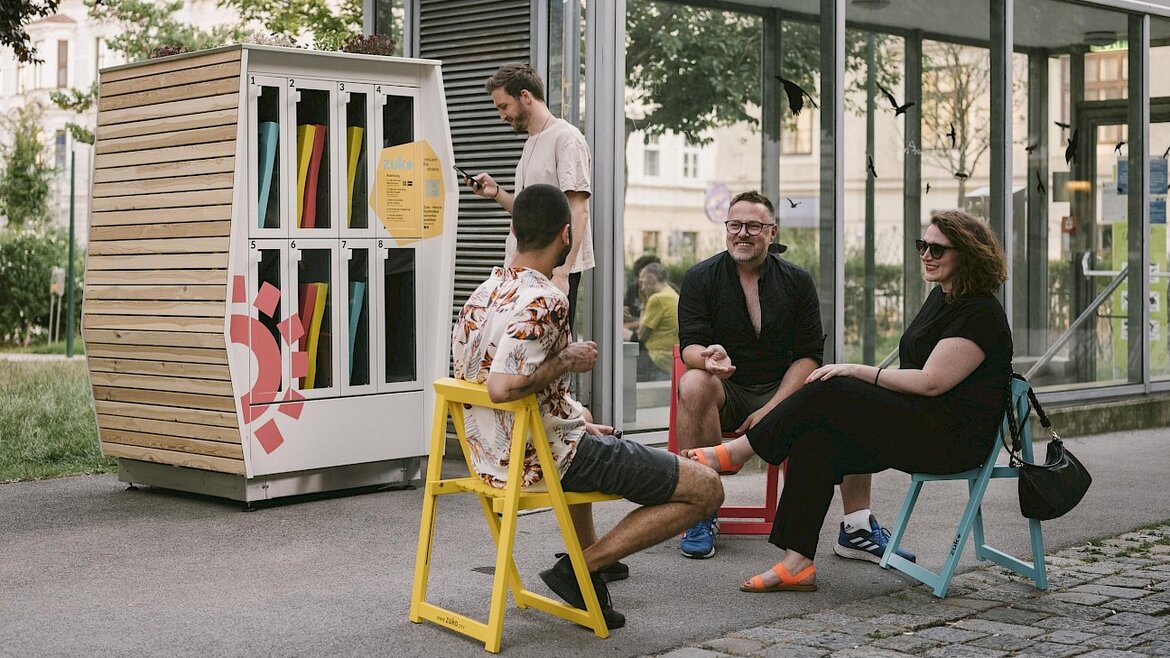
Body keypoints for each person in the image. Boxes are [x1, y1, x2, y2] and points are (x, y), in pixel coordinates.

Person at [686, 209, 1012, 592]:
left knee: (836, 386)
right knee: (816, 435)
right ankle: (797, 564)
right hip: (920, 424)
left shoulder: (980, 313)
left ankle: (739, 451)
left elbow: (930, 383)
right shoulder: (944, 298)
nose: (926, 255)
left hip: (950, 441)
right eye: (923, 246)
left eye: (938, 250)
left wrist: (858, 371)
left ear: (968, 254)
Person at [451, 184, 723, 627]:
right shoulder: (548, 300)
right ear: (565, 235)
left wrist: (575, 419)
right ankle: (582, 567)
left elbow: (490, 389)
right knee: (707, 487)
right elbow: (502, 387)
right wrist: (565, 360)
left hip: (491, 455)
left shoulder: (482, 294)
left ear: (512, 229)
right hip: (543, 459)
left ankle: (588, 568)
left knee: (589, 419)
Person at [674, 190, 915, 563]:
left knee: (849, 390)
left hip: (784, 390)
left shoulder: (797, 281)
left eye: (753, 226)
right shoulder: (700, 278)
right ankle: (699, 512)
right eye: (735, 225)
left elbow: (808, 356)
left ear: (772, 232)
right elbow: (689, 344)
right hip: (728, 388)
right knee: (692, 381)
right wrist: (707, 359)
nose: (742, 233)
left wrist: (774, 408)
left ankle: (857, 527)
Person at [465, 63, 594, 333]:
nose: (502, 116)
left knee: (548, 358)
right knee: (520, 357)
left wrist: (563, 272)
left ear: (525, 96)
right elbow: (530, 217)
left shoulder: (567, 139)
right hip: (523, 270)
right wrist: (496, 193)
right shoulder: (531, 142)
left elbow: (579, 210)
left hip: (551, 270)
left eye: (504, 107)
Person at [624, 262, 678, 381]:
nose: (641, 288)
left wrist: (619, 330)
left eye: (642, 283)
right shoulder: (671, 293)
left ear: (652, 279)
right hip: (668, 361)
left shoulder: (658, 298)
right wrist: (644, 301)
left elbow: (639, 338)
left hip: (656, 360)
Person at [623, 253, 662, 324]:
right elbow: (625, 308)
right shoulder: (633, 288)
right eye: (640, 279)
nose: (642, 285)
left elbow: (654, 323)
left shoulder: (662, 293)